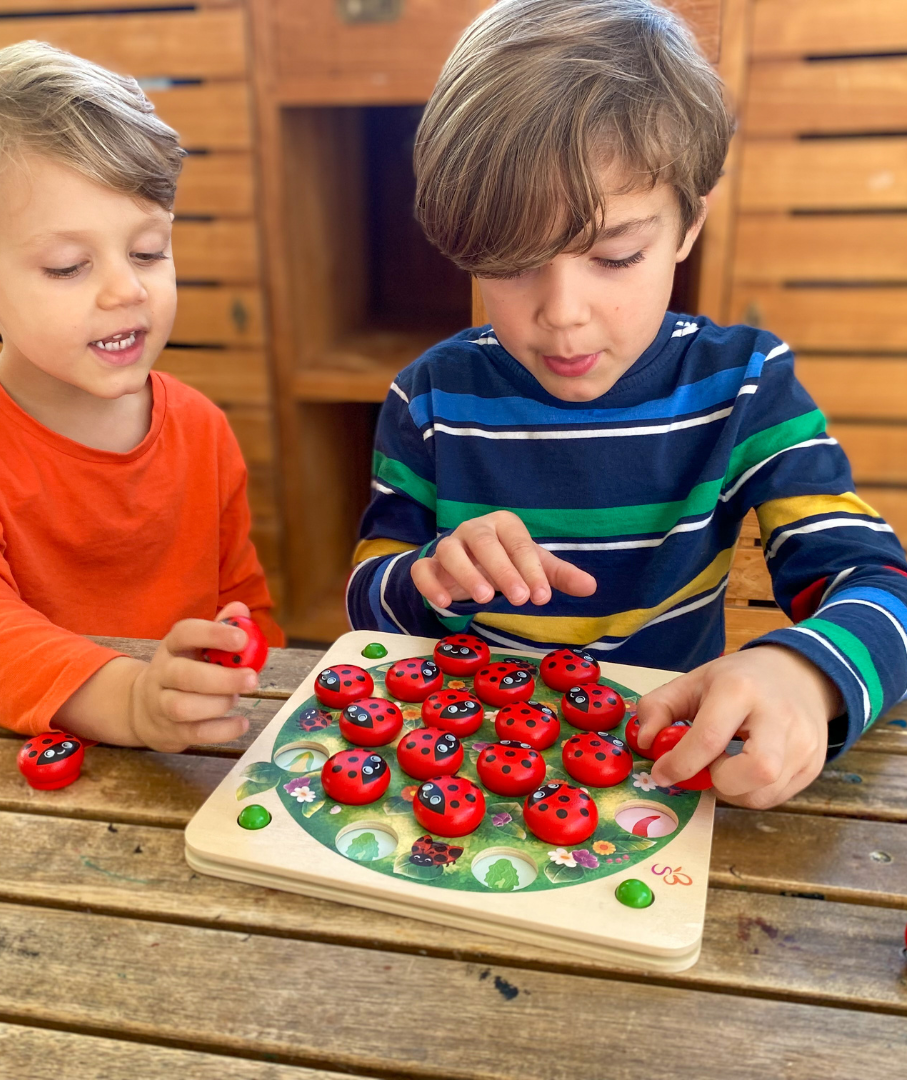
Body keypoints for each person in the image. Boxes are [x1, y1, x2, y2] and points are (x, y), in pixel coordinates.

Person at [346, 0, 907, 809]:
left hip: (661, 766)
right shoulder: (432, 396)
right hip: (469, 760)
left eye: (616, 256)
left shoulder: (744, 386)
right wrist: (431, 577)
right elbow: (368, 597)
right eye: (512, 264)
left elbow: (879, 580)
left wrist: (805, 671)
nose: (562, 312)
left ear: (686, 226)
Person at [0, 41, 283, 751]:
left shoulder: (201, 428)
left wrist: (244, 690)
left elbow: (246, 610)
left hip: (188, 767)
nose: (126, 290)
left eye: (148, 251)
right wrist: (129, 699)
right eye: (68, 266)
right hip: (19, 771)